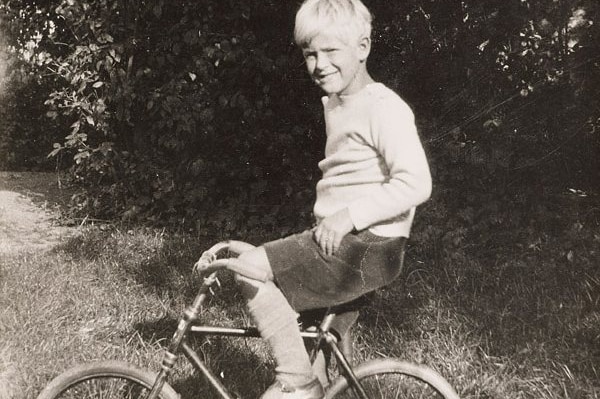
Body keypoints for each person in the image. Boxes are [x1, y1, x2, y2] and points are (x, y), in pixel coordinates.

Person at [235, 0, 432, 398]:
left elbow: (416, 183)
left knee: (249, 270)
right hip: (347, 243)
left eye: (331, 51)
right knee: (319, 352)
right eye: (310, 54)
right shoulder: (337, 102)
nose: (319, 64)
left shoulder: (383, 107)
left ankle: (295, 379)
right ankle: (314, 379)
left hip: (363, 247)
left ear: (363, 47)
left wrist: (347, 217)